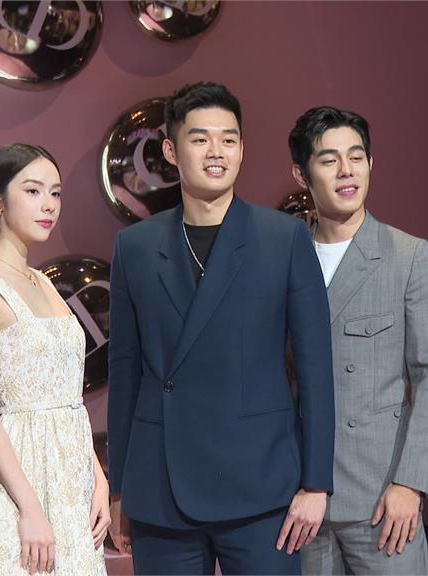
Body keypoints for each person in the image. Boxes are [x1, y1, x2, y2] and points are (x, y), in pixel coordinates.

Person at [107, 82, 335, 575]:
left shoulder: (284, 238)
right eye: (200, 139)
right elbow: (124, 373)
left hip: (262, 487)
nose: (217, 152)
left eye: (228, 139)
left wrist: (316, 483)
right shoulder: (136, 247)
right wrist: (120, 486)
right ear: (171, 151)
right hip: (162, 487)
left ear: (242, 149)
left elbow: (316, 367)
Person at [287, 106, 428, 574]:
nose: (347, 171)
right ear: (301, 174)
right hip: (302, 499)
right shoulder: (286, 257)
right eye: (329, 160)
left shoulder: (408, 256)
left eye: (356, 157)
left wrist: (411, 484)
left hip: (382, 499)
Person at [0, 144, 110, 575]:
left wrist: (97, 477)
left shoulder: (43, 281)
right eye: (33, 191)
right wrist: (29, 508)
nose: (48, 205)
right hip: (19, 478)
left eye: (55, 193)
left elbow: (69, 401)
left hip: (71, 478)